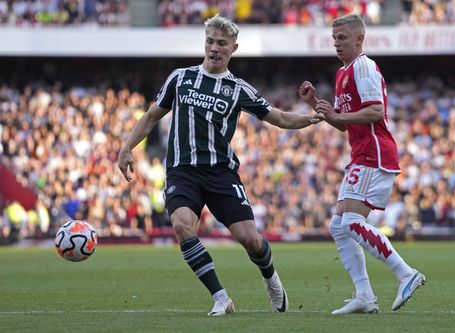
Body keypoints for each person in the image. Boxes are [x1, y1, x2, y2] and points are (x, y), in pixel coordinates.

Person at [118, 14, 323, 316]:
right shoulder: (181, 78)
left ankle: (271, 278)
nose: (214, 48)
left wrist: (309, 118)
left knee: (249, 239)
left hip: (220, 173)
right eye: (210, 41)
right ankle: (221, 297)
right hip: (182, 170)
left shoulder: (238, 89)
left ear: (233, 48)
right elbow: (151, 117)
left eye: (221, 44)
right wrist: (126, 148)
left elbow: (278, 117)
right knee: (182, 225)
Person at [299, 14, 426, 315]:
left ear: (359, 38)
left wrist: (340, 116)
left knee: (352, 223)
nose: (336, 44)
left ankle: (406, 273)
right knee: (339, 226)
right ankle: (364, 295)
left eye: (342, 38)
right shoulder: (342, 73)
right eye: (334, 39)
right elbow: (343, 125)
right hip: (361, 154)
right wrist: (314, 104)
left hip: (375, 153)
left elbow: (375, 111)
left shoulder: (364, 66)